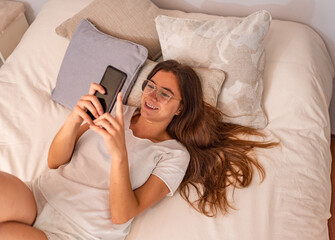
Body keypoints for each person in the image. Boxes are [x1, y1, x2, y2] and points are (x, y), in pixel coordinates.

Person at [0, 60, 276, 239]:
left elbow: (122, 214)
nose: (152, 96)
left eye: (165, 94)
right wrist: (74, 119)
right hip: (41, 195)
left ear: (180, 108)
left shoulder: (174, 155)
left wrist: (120, 153)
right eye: (150, 86)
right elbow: (54, 162)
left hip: (77, 230)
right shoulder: (118, 110)